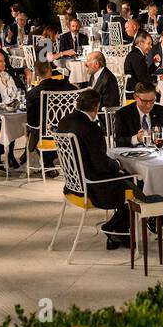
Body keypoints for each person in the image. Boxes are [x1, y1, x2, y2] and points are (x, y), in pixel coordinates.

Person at [56, 89, 136, 249]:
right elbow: (101, 165)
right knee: (136, 183)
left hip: (73, 183)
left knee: (126, 178)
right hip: (92, 185)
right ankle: (114, 227)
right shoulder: (91, 128)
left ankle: (119, 233)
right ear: (96, 107)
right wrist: (118, 165)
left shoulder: (65, 121)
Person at [22, 61, 69, 172]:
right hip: (65, 132)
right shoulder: (66, 86)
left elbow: (32, 122)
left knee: (32, 129)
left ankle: (47, 162)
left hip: (45, 137)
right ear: (50, 70)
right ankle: (52, 158)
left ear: (36, 75)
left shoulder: (32, 93)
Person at [113, 80, 163, 146]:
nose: (148, 105)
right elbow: (118, 141)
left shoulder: (160, 111)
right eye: (144, 101)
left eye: (152, 100)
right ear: (135, 97)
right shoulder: (123, 114)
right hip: (133, 153)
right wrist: (136, 139)